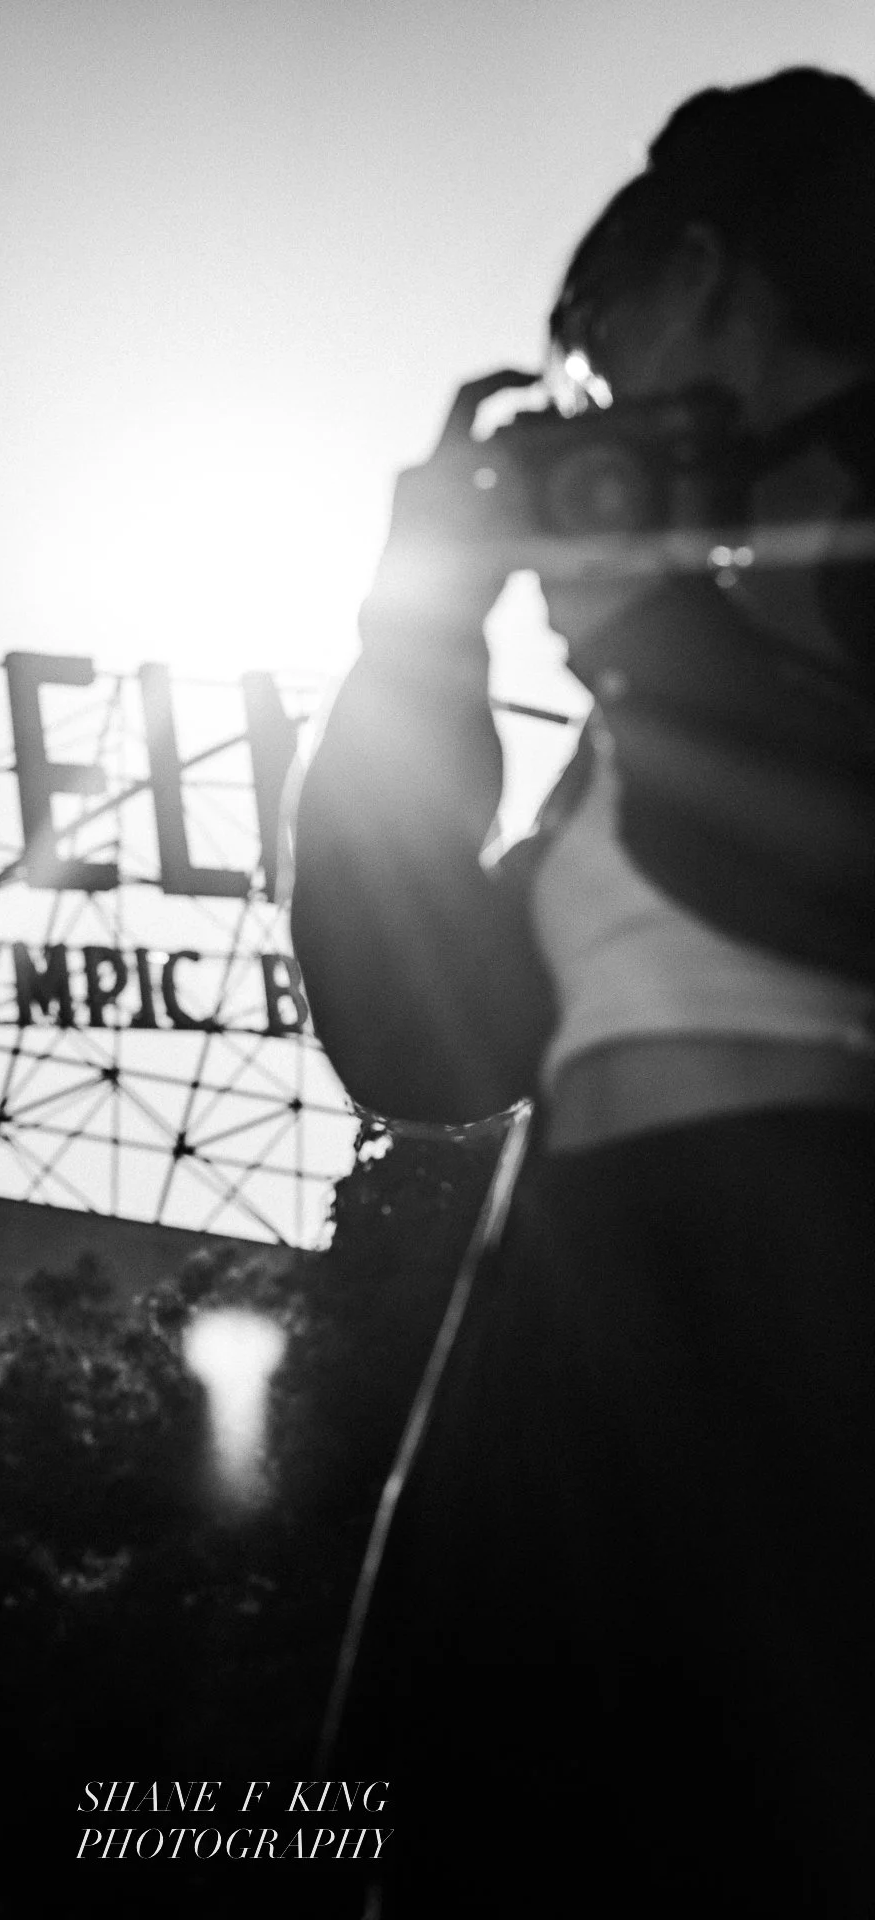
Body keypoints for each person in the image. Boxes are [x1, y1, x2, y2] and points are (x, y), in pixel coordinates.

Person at [290, 68, 875, 1916]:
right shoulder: (674, 650)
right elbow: (415, 1030)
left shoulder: (718, 617)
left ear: (701, 276)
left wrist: (633, 623)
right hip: (575, 1351)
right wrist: (417, 635)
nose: (592, 403)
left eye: (597, 342)